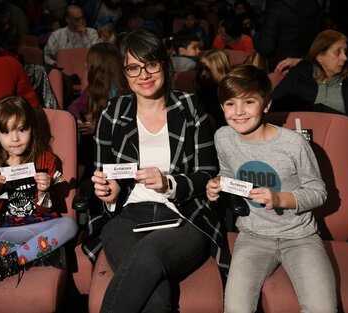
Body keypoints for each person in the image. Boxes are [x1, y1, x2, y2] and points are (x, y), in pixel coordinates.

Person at [84, 29, 229, 312]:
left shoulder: (189, 107)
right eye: (133, 67)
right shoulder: (113, 113)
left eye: (151, 63)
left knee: (148, 255)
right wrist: (109, 193)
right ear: (124, 73)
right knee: (156, 297)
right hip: (127, 215)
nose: (144, 74)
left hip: (185, 215)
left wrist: (169, 184)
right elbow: (105, 176)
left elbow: (206, 173)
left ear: (163, 63)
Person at [206, 64, 337, 313]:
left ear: (266, 104)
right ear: (222, 107)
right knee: (235, 308)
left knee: (323, 308)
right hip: (253, 236)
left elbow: (318, 191)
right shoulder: (223, 137)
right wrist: (217, 185)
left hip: (300, 237)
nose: (239, 112)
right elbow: (228, 172)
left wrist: (280, 198)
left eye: (249, 102)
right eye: (230, 104)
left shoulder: (293, 143)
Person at [0, 96, 78, 296]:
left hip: (37, 227)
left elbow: (46, 209)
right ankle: (40, 255)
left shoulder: (46, 158)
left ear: (32, 129)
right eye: (6, 131)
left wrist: (43, 191)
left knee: (69, 225)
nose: (15, 139)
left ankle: (1, 267)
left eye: (22, 130)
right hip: (2, 229)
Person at [271, 30, 348, 179]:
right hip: (302, 147)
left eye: (345, 51)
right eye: (337, 52)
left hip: (338, 148)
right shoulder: (299, 75)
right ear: (320, 56)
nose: (344, 58)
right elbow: (275, 108)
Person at [67, 42, 124, 181]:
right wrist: (79, 120)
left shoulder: (122, 93)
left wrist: (97, 129)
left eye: (89, 63)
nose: (86, 66)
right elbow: (74, 106)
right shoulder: (92, 89)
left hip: (117, 152)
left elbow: (122, 129)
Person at [253, 0, 322, 72]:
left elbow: (265, 47)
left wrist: (256, 35)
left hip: (280, 69)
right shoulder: (314, 4)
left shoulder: (277, 6)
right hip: (306, 66)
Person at [196, 49, 231, 130]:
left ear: (220, 70)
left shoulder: (228, 93)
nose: (203, 74)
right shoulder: (203, 90)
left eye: (208, 70)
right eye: (201, 69)